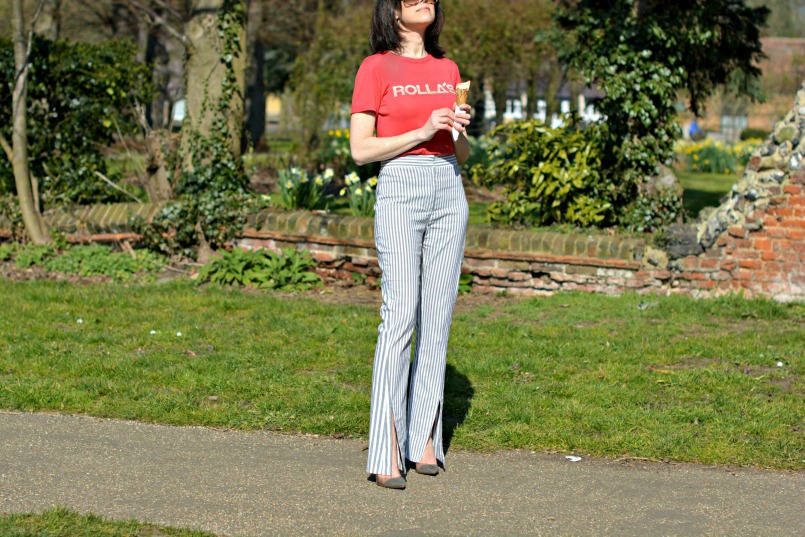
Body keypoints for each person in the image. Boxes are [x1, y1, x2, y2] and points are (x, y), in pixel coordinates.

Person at [350, 0, 472, 490]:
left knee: (437, 317)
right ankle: (386, 448)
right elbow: (361, 150)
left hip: (449, 184)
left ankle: (425, 438)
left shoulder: (448, 68)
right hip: (400, 184)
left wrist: (458, 129)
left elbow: (460, 149)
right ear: (392, 9)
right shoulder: (375, 67)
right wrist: (421, 130)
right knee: (400, 316)